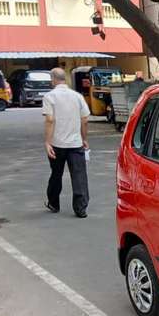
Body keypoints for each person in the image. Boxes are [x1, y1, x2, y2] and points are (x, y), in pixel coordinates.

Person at [43, 67, 90, 217]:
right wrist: (84, 139)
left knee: (56, 174)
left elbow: (50, 120)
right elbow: (85, 119)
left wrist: (48, 142)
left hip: (57, 144)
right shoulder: (77, 96)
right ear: (65, 79)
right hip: (75, 143)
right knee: (79, 176)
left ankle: (54, 203)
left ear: (53, 79)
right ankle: (80, 208)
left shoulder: (49, 97)